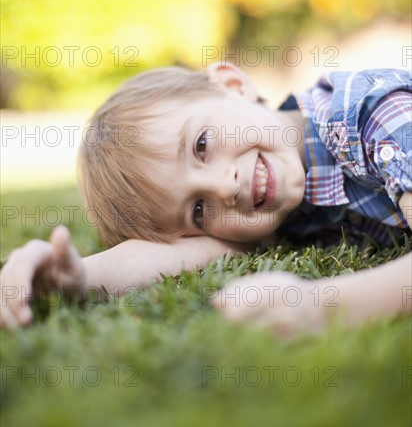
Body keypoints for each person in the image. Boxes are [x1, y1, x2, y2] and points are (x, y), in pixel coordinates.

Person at [1, 64, 411, 333]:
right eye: (198, 210)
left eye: (201, 145)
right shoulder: (265, 201)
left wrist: (325, 307)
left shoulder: (369, 113)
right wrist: (74, 278)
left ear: (233, 85)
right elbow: (171, 254)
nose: (224, 188)